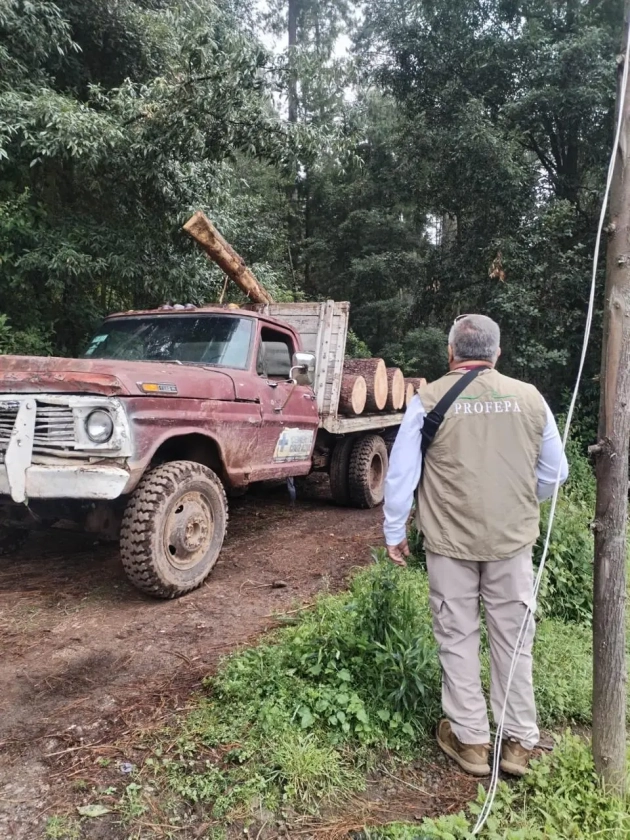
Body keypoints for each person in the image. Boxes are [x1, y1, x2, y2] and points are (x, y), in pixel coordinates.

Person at [383, 314, 568, 778]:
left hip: (450, 543)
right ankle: (518, 743)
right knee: (514, 637)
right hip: (512, 542)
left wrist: (394, 530)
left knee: (457, 636)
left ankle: (471, 741)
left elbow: (402, 473)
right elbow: (556, 473)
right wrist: (520, 502)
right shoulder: (531, 398)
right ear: (496, 353)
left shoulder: (427, 399)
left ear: (450, 353)